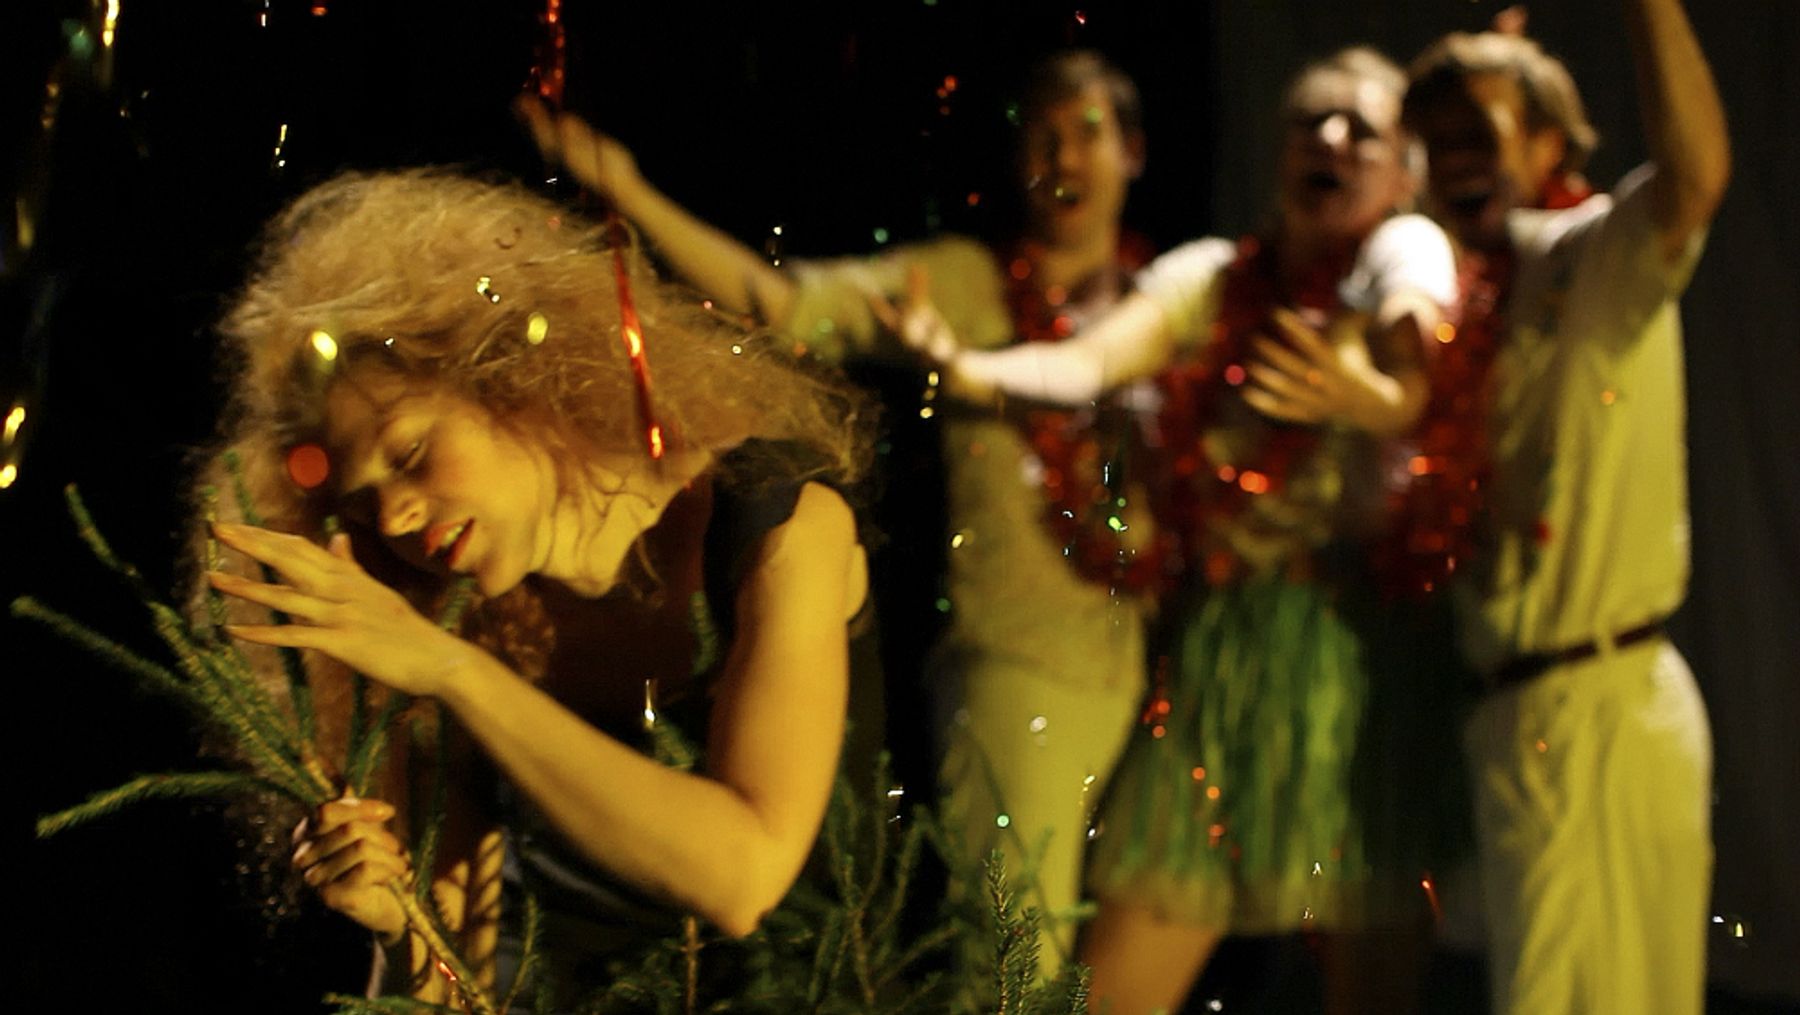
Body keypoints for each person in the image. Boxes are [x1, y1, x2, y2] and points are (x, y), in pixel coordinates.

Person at [518, 50, 1156, 968]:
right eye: (1042, 137)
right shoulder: (964, 283)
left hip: (1149, 662)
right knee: (1019, 961)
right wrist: (630, 192)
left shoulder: (1167, 300)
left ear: (1134, 151)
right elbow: (781, 302)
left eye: (1087, 132)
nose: (1063, 158)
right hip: (1020, 665)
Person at [205, 168, 875, 1001]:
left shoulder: (776, 517)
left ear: (515, 380)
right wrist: (397, 922)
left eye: (410, 453)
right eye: (363, 505)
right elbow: (449, 988)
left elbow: (743, 877)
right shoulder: (455, 615)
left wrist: (452, 669)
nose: (397, 517)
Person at [930, 47, 1459, 1015]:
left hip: (1362, 665)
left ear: (1403, 170)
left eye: (1360, 128)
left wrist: (1378, 397)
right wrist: (972, 367)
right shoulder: (1211, 276)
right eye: (1308, 121)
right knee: (1107, 991)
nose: (1329, 139)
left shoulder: (1404, 247)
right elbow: (1087, 364)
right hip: (1221, 658)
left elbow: (1414, 334)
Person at [1402, 2, 1729, 1011]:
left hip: (1605, 711)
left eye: (1480, 129)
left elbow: (1694, 181)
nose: (1456, 156)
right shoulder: (1457, 309)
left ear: (1551, 145)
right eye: (1436, 139)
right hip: (1517, 720)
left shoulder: (1586, 258)